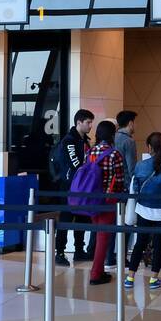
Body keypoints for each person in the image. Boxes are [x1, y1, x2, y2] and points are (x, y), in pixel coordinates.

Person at [126, 139, 161, 291]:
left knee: (140, 242)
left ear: (149, 147)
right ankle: (154, 278)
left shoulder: (141, 165)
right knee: (159, 244)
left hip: (144, 209)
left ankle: (130, 277)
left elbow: (135, 187)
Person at [82, 121, 126, 286]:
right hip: (108, 199)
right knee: (103, 237)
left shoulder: (90, 152)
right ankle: (95, 274)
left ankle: (98, 270)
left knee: (98, 233)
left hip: (92, 198)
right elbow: (120, 179)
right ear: (112, 135)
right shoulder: (114, 153)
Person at [50, 108, 93, 267]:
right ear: (79, 122)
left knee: (82, 217)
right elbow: (76, 164)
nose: (90, 126)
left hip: (82, 186)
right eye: (88, 122)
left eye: (91, 123)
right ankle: (60, 252)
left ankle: (79, 250)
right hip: (69, 186)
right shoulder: (69, 140)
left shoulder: (84, 140)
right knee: (66, 218)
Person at [108, 110, 139, 270]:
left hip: (112, 186)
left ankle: (110, 256)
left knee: (113, 222)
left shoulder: (112, 138)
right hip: (126, 187)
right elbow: (131, 168)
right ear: (130, 123)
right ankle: (122, 255)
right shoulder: (129, 141)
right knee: (128, 222)